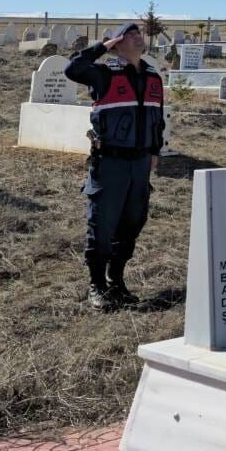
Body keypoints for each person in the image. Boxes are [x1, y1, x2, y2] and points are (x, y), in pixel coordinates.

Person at [65, 22, 165, 311]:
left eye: (138, 34)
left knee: (133, 222)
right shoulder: (104, 73)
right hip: (110, 162)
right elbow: (73, 69)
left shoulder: (152, 77)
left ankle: (116, 281)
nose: (136, 37)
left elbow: (157, 119)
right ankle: (97, 286)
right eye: (128, 35)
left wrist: (155, 151)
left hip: (141, 163)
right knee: (102, 224)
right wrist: (103, 46)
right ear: (117, 43)